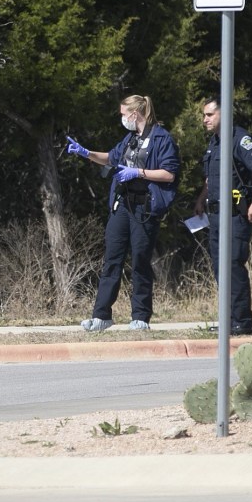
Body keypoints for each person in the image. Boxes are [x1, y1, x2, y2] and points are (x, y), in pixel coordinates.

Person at [67, 95, 180, 331]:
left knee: (140, 260)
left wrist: (138, 172)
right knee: (112, 259)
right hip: (122, 205)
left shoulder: (161, 138)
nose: (122, 118)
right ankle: (101, 316)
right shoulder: (130, 138)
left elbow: (169, 174)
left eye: (123, 114)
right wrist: (85, 152)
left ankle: (140, 316)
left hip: (144, 208)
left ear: (135, 114)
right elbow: (111, 158)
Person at [194, 96, 252, 335]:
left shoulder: (240, 139)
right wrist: (200, 200)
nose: (205, 119)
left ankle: (242, 322)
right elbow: (211, 177)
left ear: (223, 114)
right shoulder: (214, 143)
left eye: (209, 115)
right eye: (204, 115)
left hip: (235, 215)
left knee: (233, 266)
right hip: (216, 215)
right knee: (219, 268)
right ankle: (228, 320)